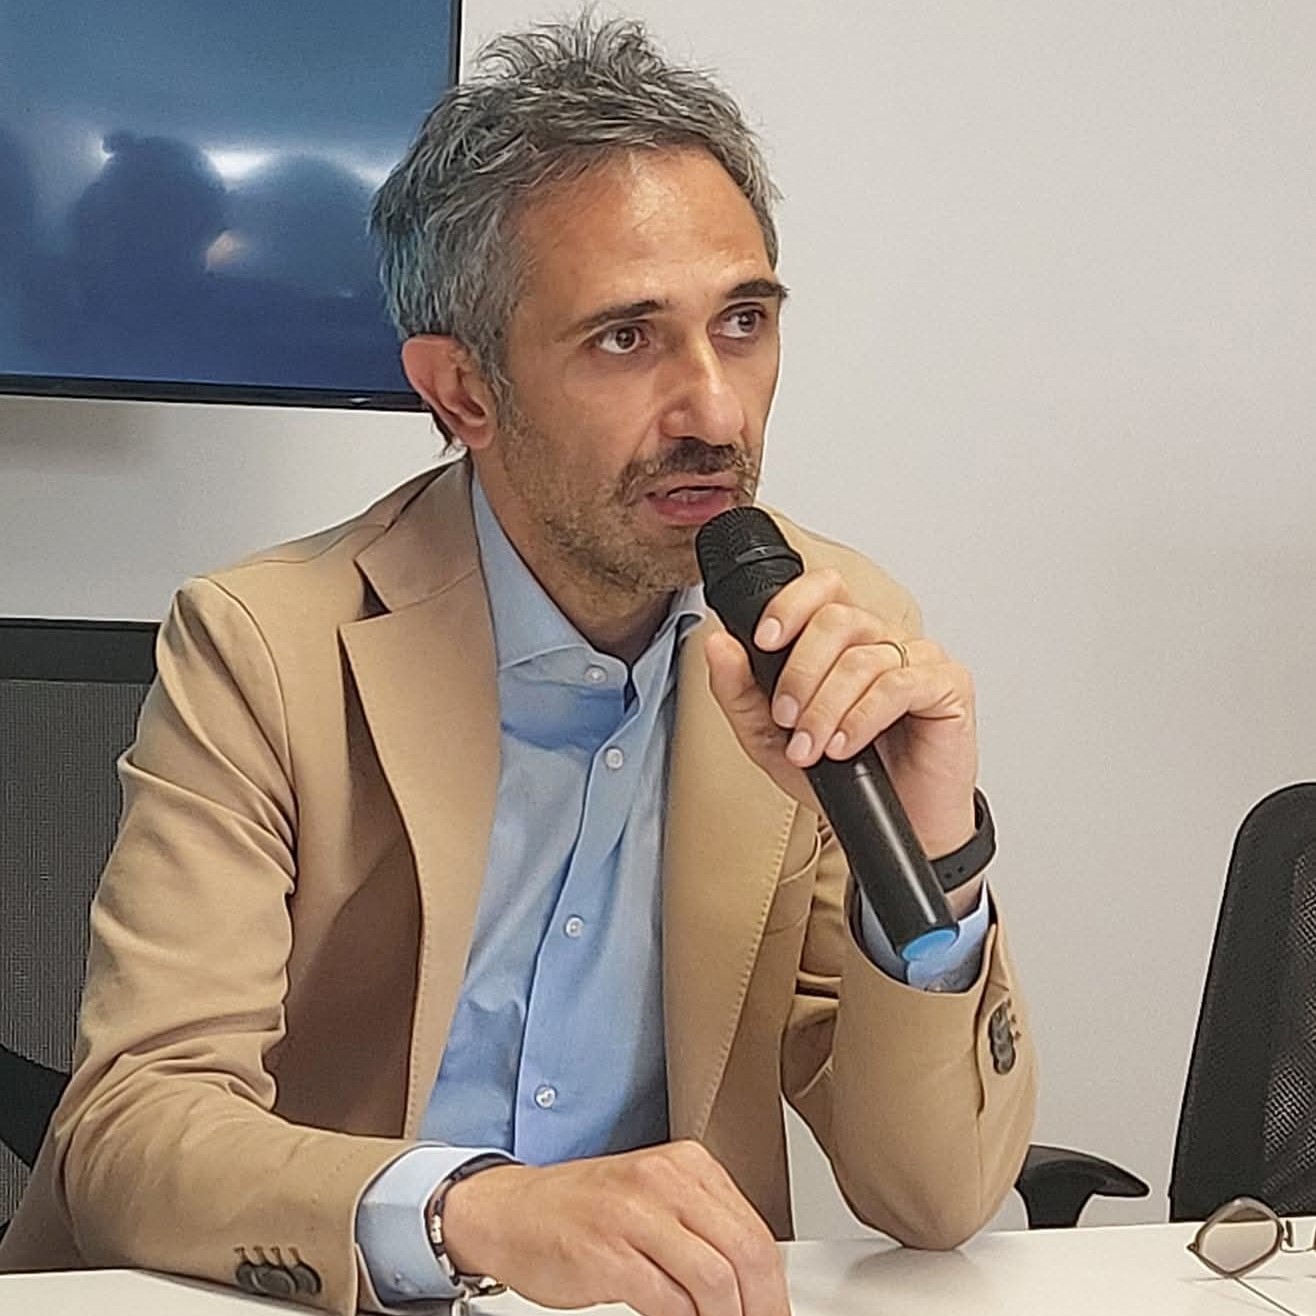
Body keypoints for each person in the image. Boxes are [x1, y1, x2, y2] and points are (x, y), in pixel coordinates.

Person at [0, 16, 1035, 1316]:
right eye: (625, 339)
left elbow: (936, 1198)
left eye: (743, 322)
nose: (716, 410)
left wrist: (931, 861)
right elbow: (131, 1129)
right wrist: (469, 1210)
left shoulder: (823, 635)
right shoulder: (266, 646)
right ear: (462, 392)